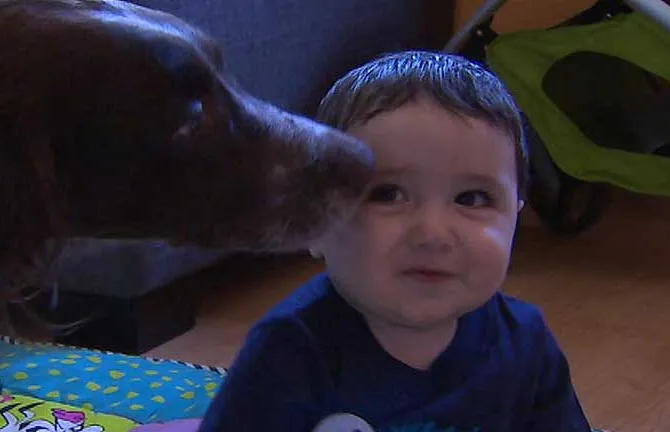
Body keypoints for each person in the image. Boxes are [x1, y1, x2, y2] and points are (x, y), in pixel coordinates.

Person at [198, 51, 592, 432]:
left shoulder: (526, 342)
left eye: (472, 199)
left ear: (514, 222)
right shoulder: (289, 351)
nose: (433, 233)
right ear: (315, 222)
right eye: (387, 194)